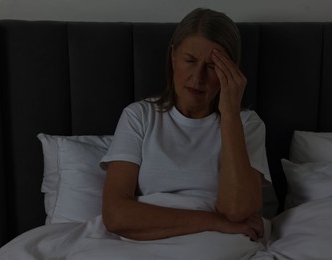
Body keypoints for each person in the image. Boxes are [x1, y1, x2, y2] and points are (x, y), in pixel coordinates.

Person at [100, 7, 271, 243]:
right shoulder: (139, 116)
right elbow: (115, 215)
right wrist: (215, 222)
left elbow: (237, 211)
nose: (197, 77)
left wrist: (230, 114)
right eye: (190, 60)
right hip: (157, 240)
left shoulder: (247, 124)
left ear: (230, 70)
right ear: (173, 57)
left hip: (217, 244)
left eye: (212, 67)